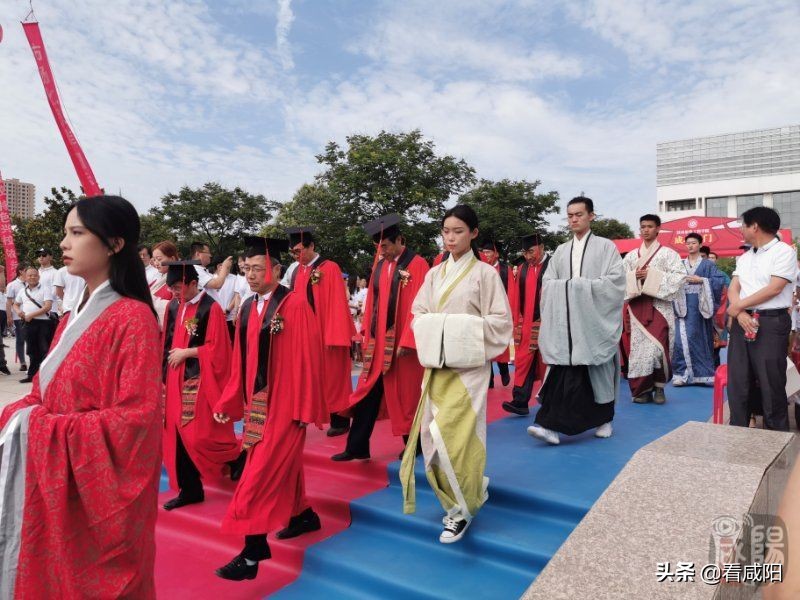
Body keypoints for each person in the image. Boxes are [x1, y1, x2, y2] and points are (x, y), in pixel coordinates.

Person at [0, 195, 162, 598]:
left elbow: (135, 422)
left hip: (92, 498)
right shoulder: (73, 316)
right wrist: (21, 415)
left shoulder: (133, 318)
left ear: (114, 244)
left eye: (76, 233)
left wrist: (39, 426)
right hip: (57, 485)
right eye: (65, 233)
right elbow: (42, 392)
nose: (63, 243)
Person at [213, 236, 327, 581]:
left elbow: (309, 359)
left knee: (258, 475)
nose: (250, 275)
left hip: (286, 407)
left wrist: (304, 409)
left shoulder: (294, 305)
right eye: (247, 269)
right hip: (257, 407)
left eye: (258, 269)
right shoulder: (248, 307)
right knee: (281, 467)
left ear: (276, 271)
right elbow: (240, 361)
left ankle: (252, 553)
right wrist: (229, 400)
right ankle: (303, 516)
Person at [401, 205, 512, 544]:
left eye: (458, 231)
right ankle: (468, 489)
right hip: (437, 369)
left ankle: (461, 511)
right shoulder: (434, 274)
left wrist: (446, 327)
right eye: (446, 231)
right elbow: (418, 314)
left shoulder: (486, 274)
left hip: (468, 372)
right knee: (432, 440)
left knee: (459, 440)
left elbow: (500, 324)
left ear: (473, 233)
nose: (450, 238)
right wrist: (443, 327)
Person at [528, 196, 625, 445]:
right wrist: (570, 288)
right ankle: (550, 426)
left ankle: (605, 419)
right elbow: (548, 283)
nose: (573, 219)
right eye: (570, 215)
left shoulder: (606, 247)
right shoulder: (561, 251)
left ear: (591, 216)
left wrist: (577, 288)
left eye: (579, 214)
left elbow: (615, 283)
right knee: (564, 373)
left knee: (598, 372)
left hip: (593, 324)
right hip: (566, 328)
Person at [333, 214, 429, 462]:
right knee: (367, 393)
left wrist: (408, 340)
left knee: (406, 395)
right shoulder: (380, 265)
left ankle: (414, 445)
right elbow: (372, 304)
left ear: (399, 240)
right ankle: (357, 447)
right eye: (378, 246)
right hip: (378, 345)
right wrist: (366, 332)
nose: (382, 251)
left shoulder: (417, 264)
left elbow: (420, 306)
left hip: (403, 347)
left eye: (385, 246)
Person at [160, 260, 244, 512]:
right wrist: (162, 375)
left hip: (198, 379)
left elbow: (220, 349)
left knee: (199, 435)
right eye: (172, 288)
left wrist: (187, 352)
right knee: (175, 435)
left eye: (178, 287)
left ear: (193, 283)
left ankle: (236, 458)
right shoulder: (173, 306)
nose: (174, 293)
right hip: (174, 379)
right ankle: (190, 489)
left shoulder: (211, 308)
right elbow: (165, 342)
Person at [727, 207, 797, 431]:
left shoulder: (783, 252)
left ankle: (776, 439)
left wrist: (737, 307)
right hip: (742, 322)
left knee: (771, 384)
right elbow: (733, 288)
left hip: (770, 323)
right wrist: (740, 313)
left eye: (743, 225)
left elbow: (774, 288)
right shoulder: (745, 257)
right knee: (738, 383)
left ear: (754, 226)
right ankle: (737, 433)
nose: (741, 229)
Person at [282, 227, 355, 437]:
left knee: (334, 378)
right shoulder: (298, 271)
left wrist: (335, 336)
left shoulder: (329, 268)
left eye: (299, 251)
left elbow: (337, 304)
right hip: (306, 335)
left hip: (327, 334)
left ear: (311, 246)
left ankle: (340, 420)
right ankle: (309, 414)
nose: (296, 256)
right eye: (293, 253)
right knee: (310, 377)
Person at [621, 214, 685, 404]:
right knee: (639, 351)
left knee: (659, 348)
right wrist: (633, 276)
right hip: (637, 306)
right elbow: (620, 278)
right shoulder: (631, 256)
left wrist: (651, 275)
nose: (646, 230)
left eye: (650, 226)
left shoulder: (669, 254)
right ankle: (642, 390)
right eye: (643, 227)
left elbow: (679, 277)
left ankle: (659, 387)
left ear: (658, 229)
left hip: (660, 307)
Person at [502, 233, 550, 416]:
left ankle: (550, 401)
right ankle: (520, 401)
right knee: (523, 362)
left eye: (531, 251)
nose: (528, 256)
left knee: (548, 363)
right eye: (525, 252)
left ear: (541, 247)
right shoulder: (522, 269)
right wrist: (515, 323)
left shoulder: (553, 266)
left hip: (548, 324)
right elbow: (515, 299)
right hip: (527, 325)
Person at [671, 232, 726, 386]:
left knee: (700, 339)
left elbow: (718, 281)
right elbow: (672, 281)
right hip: (683, 304)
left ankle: (702, 375)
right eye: (688, 243)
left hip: (701, 305)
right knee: (680, 340)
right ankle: (681, 374)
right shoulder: (680, 264)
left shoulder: (708, 264)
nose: (690, 245)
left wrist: (702, 280)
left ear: (700, 245)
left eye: (694, 243)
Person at [479, 239, 514, 389]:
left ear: (496, 254)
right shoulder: (480, 269)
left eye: (488, 252)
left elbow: (511, 291)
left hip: (500, 310)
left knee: (500, 341)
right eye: (484, 252)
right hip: (484, 311)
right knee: (485, 344)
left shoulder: (505, 269)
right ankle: (490, 378)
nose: (486, 254)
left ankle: (504, 369)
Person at [13, 267, 54, 383]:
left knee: (44, 349)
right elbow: (15, 304)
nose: (32, 277)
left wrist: (31, 315)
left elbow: (48, 306)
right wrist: (18, 312)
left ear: (39, 277)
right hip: (28, 323)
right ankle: (32, 375)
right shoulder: (22, 291)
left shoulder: (45, 289)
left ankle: (46, 375)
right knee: (31, 350)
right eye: (29, 275)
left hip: (44, 323)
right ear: (25, 277)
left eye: (35, 275)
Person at [190, 241, 233, 306]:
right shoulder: (195, 270)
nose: (210, 255)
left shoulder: (202, 270)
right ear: (198, 254)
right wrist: (224, 267)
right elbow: (217, 284)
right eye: (208, 253)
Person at [151, 240, 180, 325]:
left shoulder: (180, 280)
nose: (156, 263)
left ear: (172, 259)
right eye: (154, 260)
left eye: (159, 259)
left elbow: (178, 308)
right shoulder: (159, 279)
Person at [6, 265, 28, 372]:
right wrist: (9, 316)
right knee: (20, 339)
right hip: (18, 316)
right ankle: (23, 363)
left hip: (32, 315)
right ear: (21, 271)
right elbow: (9, 302)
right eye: (26, 270)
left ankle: (35, 360)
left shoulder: (31, 283)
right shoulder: (12, 285)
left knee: (32, 339)